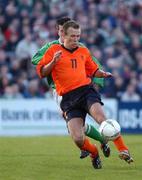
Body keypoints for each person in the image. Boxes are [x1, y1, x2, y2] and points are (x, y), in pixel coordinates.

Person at [36, 20, 133, 168]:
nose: (76, 39)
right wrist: (53, 62)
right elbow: (42, 72)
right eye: (73, 36)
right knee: (77, 138)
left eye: (78, 36)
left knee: (102, 118)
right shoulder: (53, 50)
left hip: (86, 92)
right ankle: (94, 152)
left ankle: (123, 150)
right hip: (68, 99)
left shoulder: (83, 51)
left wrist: (103, 74)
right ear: (64, 35)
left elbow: (92, 70)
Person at [32, 17, 110, 159]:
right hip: (60, 90)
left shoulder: (79, 46)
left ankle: (89, 144)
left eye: (65, 31)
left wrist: (98, 79)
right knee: (73, 122)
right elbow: (35, 59)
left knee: (74, 122)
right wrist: (52, 60)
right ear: (58, 31)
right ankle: (95, 142)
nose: (63, 34)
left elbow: (93, 63)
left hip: (80, 88)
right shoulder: (51, 46)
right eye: (61, 31)